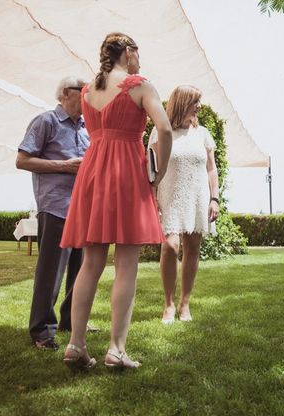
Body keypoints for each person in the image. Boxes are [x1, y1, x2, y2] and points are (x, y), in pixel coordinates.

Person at [60, 32, 172, 370]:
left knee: (90, 264)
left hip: (93, 171)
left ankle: (76, 344)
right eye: (138, 51)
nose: (140, 58)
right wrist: (159, 173)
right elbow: (164, 130)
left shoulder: (87, 91)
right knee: (127, 265)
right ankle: (116, 349)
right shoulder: (140, 85)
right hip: (125, 172)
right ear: (128, 51)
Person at [17, 75, 95, 351]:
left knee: (81, 268)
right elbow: (22, 160)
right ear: (65, 93)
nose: (87, 98)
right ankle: (42, 330)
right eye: (83, 92)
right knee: (51, 271)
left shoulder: (88, 128)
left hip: (84, 208)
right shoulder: (45, 122)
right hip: (56, 206)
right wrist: (64, 166)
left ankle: (72, 320)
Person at [148, 85, 220, 324]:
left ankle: (184, 304)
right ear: (182, 102)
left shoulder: (203, 134)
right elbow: (153, 168)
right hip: (168, 196)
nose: (199, 106)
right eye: (195, 101)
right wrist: (152, 198)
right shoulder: (161, 132)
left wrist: (214, 198)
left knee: (193, 248)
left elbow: (211, 169)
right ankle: (168, 304)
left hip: (197, 196)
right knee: (170, 246)